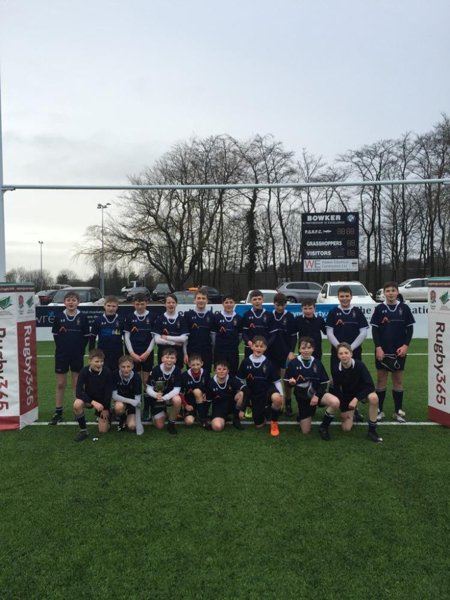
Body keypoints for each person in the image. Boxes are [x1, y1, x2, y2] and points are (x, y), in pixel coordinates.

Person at [370, 281, 415, 422]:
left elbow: (410, 329)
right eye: (387, 291)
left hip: (399, 350)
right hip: (382, 351)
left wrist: (406, 346)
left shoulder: (404, 308)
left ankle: (398, 411)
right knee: (381, 380)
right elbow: (375, 330)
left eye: (393, 290)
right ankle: (379, 410)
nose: (390, 293)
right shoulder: (379, 309)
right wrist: (378, 347)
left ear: (397, 292)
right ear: (384, 293)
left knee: (398, 380)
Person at [326, 285, 369, 423]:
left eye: (347, 296)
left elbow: (363, 332)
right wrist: (340, 348)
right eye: (342, 296)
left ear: (351, 297)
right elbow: (329, 333)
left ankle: (354, 409)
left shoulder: (357, 312)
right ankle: (337, 407)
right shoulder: (333, 312)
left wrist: (350, 349)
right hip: (337, 353)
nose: (344, 299)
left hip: (354, 353)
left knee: (354, 382)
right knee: (337, 381)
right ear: (338, 297)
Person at [284, 336, 340, 440]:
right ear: (299, 349)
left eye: (309, 348)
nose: (306, 350)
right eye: (303, 348)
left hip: (317, 395)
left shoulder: (317, 363)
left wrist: (317, 396)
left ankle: (324, 427)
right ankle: (302, 415)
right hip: (303, 398)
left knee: (335, 402)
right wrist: (291, 383)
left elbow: (324, 383)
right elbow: (287, 383)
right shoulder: (293, 363)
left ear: (313, 349)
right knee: (306, 431)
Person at [49, 290, 90, 425]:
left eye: (74, 300)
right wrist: (62, 348)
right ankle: (58, 412)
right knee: (60, 384)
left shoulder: (83, 318)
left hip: (77, 355)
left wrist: (79, 350)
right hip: (62, 355)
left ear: (78, 302)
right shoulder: (58, 316)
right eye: (68, 300)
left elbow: (86, 337)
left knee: (76, 384)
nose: (71, 302)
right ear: (64, 302)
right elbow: (55, 335)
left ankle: (77, 410)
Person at [329, 342, 383, 443]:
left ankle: (372, 430)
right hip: (348, 396)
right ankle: (354, 415)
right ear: (337, 356)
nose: (344, 355)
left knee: (374, 398)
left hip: (362, 393)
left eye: (346, 352)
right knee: (346, 428)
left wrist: (356, 399)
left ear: (351, 354)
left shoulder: (360, 365)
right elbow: (337, 390)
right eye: (341, 353)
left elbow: (370, 386)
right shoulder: (336, 369)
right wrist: (343, 410)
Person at [237, 335, 284, 437]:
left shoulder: (268, 362)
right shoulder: (246, 362)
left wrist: (281, 395)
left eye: (261, 346)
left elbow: (277, 381)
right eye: (256, 346)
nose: (258, 348)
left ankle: (274, 423)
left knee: (277, 398)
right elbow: (239, 380)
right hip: (254, 393)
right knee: (259, 425)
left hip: (267, 390)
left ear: (265, 348)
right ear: (252, 346)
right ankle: (264, 410)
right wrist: (245, 393)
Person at [123, 293, 155, 421]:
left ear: (146, 303)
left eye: (142, 304)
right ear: (133, 304)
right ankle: (134, 408)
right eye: (137, 304)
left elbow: (154, 337)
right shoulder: (129, 317)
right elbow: (126, 337)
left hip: (147, 353)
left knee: (146, 382)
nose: (140, 306)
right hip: (133, 354)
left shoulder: (152, 317)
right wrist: (131, 353)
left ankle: (146, 409)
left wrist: (147, 352)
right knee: (134, 382)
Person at [266, 293, 297, 416]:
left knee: (286, 380)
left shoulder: (289, 316)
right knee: (274, 379)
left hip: (285, 353)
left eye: (283, 305)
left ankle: (288, 403)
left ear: (286, 304)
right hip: (271, 353)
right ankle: (276, 403)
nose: (280, 307)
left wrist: (291, 351)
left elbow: (294, 336)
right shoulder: (269, 316)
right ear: (274, 304)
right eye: (278, 305)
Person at [73, 349, 113, 442]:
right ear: (89, 361)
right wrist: (92, 402)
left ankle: (110, 414)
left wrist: (106, 409)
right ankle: (83, 431)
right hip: (90, 399)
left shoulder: (107, 372)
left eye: (101, 361)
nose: (99, 364)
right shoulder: (84, 371)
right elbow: (78, 392)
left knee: (103, 430)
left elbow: (108, 393)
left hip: (102, 402)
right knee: (77, 404)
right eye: (96, 361)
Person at [146, 347, 183, 434]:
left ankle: (171, 423)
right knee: (160, 426)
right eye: (167, 357)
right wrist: (155, 395)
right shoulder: (155, 370)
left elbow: (177, 389)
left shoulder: (177, 370)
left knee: (177, 400)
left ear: (175, 360)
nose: (169, 360)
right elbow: (148, 388)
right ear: (162, 359)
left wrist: (165, 397)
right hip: (157, 398)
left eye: (172, 358)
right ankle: (157, 414)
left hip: (168, 397)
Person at [152, 293, 188, 369]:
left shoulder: (182, 319)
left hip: (178, 352)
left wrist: (166, 337)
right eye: (168, 302)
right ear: (165, 304)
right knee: (163, 376)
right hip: (163, 352)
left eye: (173, 302)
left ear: (176, 304)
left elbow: (183, 339)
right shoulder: (160, 319)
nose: (171, 304)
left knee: (178, 375)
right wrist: (174, 342)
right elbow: (157, 340)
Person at [208, 360, 245, 432]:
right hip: (219, 407)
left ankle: (236, 418)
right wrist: (204, 417)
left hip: (232, 405)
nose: (221, 371)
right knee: (217, 427)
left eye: (224, 369)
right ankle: (223, 418)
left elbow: (246, 390)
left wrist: (242, 409)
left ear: (228, 371)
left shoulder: (232, 379)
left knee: (242, 393)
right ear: (215, 370)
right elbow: (208, 400)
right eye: (219, 369)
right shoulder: (211, 383)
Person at [89, 295, 124, 371]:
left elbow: (127, 338)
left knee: (116, 376)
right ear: (104, 306)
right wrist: (91, 353)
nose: (111, 308)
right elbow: (92, 338)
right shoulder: (98, 320)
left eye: (114, 306)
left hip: (117, 353)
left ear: (117, 307)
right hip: (102, 354)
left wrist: (127, 354)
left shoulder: (121, 320)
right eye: (108, 305)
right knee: (103, 376)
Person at [183, 288, 215, 374]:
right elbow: (185, 337)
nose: (201, 300)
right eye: (199, 298)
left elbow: (213, 337)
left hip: (206, 351)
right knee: (192, 375)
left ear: (207, 301)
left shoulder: (211, 316)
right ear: (194, 300)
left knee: (206, 375)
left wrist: (213, 353)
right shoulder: (188, 315)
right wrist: (185, 353)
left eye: (203, 298)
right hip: (192, 350)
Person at [112, 354, 144, 435]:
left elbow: (137, 402)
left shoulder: (137, 378)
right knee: (118, 407)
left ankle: (129, 416)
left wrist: (139, 425)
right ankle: (121, 417)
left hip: (132, 405)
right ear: (119, 366)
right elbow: (114, 396)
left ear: (132, 366)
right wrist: (130, 401)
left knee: (132, 426)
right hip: (120, 401)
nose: (126, 369)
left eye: (128, 366)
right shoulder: (114, 374)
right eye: (123, 367)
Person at [212, 295, 242, 375]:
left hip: (233, 351)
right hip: (220, 351)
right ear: (222, 304)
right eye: (226, 302)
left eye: (231, 302)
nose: (229, 304)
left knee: (233, 371)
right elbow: (213, 335)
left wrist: (233, 344)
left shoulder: (239, 318)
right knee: (220, 372)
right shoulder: (216, 317)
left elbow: (240, 336)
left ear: (234, 303)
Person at [181, 353, 211, 428]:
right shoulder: (184, 375)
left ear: (202, 363)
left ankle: (203, 418)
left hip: (203, 400)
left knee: (197, 391)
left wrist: (206, 395)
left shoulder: (206, 373)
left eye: (198, 364)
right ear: (189, 364)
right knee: (189, 422)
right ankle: (197, 414)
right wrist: (186, 405)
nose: (196, 367)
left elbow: (209, 387)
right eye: (193, 365)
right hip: (190, 402)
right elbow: (180, 392)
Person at [241, 290, 271, 358]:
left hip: (264, 349)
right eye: (254, 299)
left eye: (259, 299)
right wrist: (248, 341)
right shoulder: (247, 314)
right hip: (250, 348)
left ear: (263, 300)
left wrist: (266, 344)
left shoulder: (269, 315)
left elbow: (272, 334)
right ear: (251, 301)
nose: (257, 301)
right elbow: (244, 332)